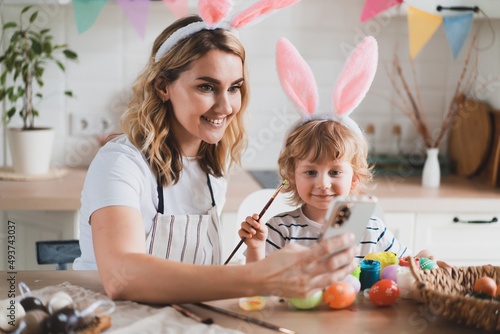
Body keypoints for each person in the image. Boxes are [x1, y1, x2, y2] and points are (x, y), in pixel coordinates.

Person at [73, 11, 358, 304]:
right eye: (207, 87)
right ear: (163, 87)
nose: (225, 106)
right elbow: (123, 278)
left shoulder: (212, 170)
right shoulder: (120, 163)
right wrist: (261, 277)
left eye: (234, 88)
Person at [240, 36, 443, 266]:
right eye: (310, 172)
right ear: (291, 176)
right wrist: (256, 248)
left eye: (335, 172)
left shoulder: (372, 230)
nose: (323, 183)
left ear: (354, 178)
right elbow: (256, 284)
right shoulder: (280, 230)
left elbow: (407, 266)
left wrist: (424, 258)